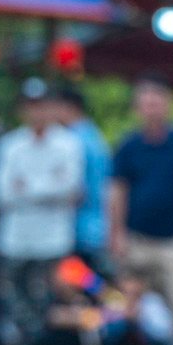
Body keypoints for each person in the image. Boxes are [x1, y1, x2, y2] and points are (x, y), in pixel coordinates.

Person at [108, 74, 173, 345]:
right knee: (122, 302)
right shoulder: (128, 146)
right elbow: (118, 191)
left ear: (168, 104)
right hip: (137, 238)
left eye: (157, 100)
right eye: (145, 102)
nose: (152, 107)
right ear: (137, 107)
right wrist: (117, 233)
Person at [0, 78, 84, 345]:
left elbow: (70, 188)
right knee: (14, 302)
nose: (37, 112)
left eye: (42, 106)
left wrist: (27, 187)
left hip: (53, 239)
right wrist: (47, 186)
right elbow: (0, 192)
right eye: (31, 106)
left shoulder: (69, 144)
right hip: (15, 239)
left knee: (49, 302)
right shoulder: (10, 145)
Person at [56, 85, 111, 268]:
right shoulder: (93, 136)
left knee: (85, 285)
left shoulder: (74, 141)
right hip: (95, 227)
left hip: (84, 229)